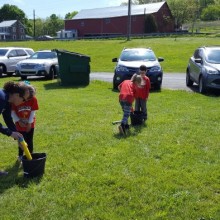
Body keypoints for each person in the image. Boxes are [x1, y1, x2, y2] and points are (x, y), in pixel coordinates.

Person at [0, 81, 30, 176]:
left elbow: (8, 119)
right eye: (24, 99)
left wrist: (17, 136)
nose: (24, 102)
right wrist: (9, 133)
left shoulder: (7, 101)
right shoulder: (1, 98)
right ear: (17, 95)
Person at [11, 83, 39, 162]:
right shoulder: (17, 99)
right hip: (19, 125)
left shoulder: (33, 99)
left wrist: (30, 123)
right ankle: (20, 155)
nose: (27, 100)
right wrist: (18, 121)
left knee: (29, 140)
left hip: (30, 124)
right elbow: (12, 112)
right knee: (21, 140)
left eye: (30, 98)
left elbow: (33, 112)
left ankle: (30, 155)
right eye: (26, 98)